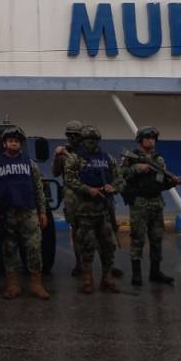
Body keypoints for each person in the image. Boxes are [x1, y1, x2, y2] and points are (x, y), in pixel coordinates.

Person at [0, 126, 50, 300]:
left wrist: (42, 212)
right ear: (4, 143)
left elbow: (38, 189)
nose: (13, 143)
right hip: (7, 213)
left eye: (16, 141)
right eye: (10, 140)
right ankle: (12, 285)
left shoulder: (30, 164)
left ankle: (36, 284)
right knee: (9, 249)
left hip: (28, 211)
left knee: (34, 247)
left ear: (20, 144)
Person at [64, 125, 123, 294]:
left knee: (108, 246)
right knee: (87, 246)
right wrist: (87, 189)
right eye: (88, 140)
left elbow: (119, 177)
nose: (91, 143)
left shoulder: (107, 158)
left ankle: (107, 279)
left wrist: (114, 187)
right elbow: (70, 179)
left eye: (94, 140)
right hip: (84, 211)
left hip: (104, 210)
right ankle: (87, 280)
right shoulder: (75, 158)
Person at [121, 126, 177, 287]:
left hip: (156, 202)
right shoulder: (131, 157)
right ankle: (136, 273)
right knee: (137, 237)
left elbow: (161, 183)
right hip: (139, 202)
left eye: (153, 138)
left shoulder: (158, 159)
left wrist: (172, 183)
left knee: (157, 238)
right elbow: (120, 174)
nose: (151, 141)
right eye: (148, 138)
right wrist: (137, 168)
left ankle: (155, 272)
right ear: (140, 140)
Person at [53, 120, 84, 277]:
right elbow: (56, 172)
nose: (72, 138)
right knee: (76, 231)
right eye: (69, 135)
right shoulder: (64, 152)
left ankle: (107, 267)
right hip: (72, 197)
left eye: (75, 135)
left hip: (89, 196)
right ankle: (79, 264)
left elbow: (84, 167)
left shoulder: (87, 151)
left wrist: (66, 154)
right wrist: (57, 157)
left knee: (98, 232)